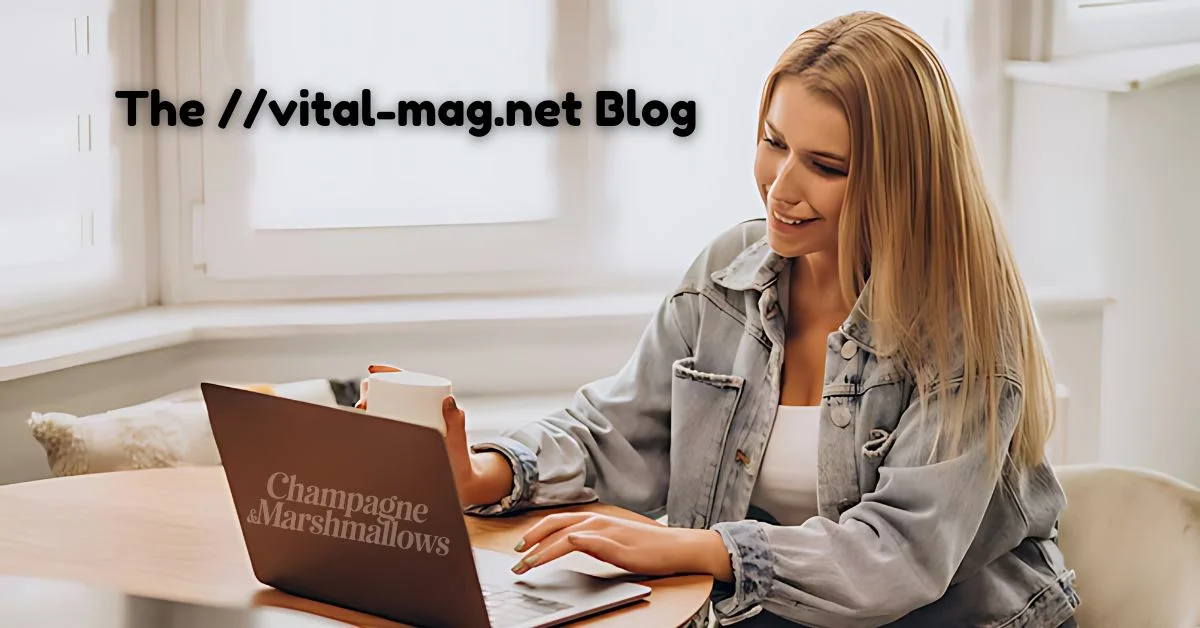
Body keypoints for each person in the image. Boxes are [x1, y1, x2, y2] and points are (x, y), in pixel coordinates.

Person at [360, 10, 1080, 627]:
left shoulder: (965, 332)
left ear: (899, 182)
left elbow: (898, 557)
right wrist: (480, 472)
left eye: (826, 166)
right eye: (774, 143)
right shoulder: (729, 273)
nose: (781, 186)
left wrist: (702, 549)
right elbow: (624, 429)